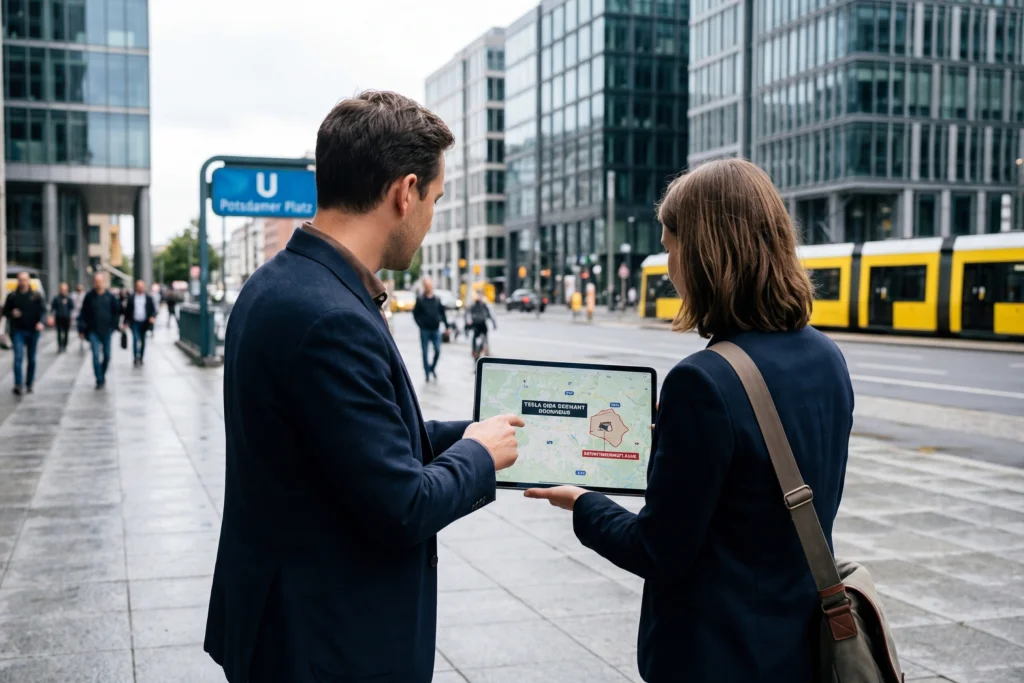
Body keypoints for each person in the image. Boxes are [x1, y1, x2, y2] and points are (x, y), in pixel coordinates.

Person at [204, 90, 525, 683]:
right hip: (325, 643)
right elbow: (401, 505)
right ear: (405, 193)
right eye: (435, 198)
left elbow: (358, 442)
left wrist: (482, 431)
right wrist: (480, 457)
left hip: (285, 619)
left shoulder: (280, 282)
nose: (430, 218)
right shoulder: (330, 316)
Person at [525, 159, 853, 683]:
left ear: (703, 256)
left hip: (717, 656)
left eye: (672, 247)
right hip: (801, 646)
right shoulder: (827, 357)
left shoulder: (704, 380)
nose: (670, 264)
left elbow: (658, 551)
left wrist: (584, 503)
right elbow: (760, 489)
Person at [3, 272, 45, 395]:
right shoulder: (12, 296)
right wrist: (12, 313)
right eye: (21, 280)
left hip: (33, 331)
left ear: (28, 281)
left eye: (25, 280)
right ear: (18, 281)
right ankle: (18, 384)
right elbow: (5, 312)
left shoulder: (36, 296)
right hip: (18, 331)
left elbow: (42, 312)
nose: (23, 282)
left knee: (31, 359)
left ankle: (29, 383)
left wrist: (41, 323)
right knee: (18, 358)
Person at [78, 273, 121, 389]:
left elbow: (116, 312)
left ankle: (102, 372)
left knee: (107, 355)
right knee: (96, 355)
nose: (98, 283)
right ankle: (99, 379)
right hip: (93, 331)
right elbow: (83, 313)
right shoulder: (89, 296)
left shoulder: (110, 296)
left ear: (104, 282)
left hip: (107, 331)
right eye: (96, 281)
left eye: (100, 281)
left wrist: (114, 326)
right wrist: (81, 329)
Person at [412, 276, 448, 381]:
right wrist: (420, 324)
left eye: (430, 285)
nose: (428, 287)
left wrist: (447, 326)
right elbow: (415, 314)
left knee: (437, 350)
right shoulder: (420, 299)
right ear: (424, 286)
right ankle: (427, 372)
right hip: (425, 330)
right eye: (426, 285)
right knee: (425, 352)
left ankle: (432, 368)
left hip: (436, 329)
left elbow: (442, 313)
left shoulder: (437, 299)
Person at [122, 279, 157, 367]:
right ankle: (135, 358)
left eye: (142, 286)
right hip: (134, 322)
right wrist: (125, 322)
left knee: (143, 341)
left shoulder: (148, 298)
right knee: (135, 339)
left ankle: (141, 357)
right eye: (139, 287)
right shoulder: (131, 298)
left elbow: (153, 310)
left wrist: (152, 317)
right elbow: (127, 311)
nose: (141, 288)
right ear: (136, 287)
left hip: (144, 323)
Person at [467, 293, 495, 359]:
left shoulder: (483, 305)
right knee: (474, 337)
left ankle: (485, 349)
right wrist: (469, 322)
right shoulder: (473, 306)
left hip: (482, 324)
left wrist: (493, 323)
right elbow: (469, 314)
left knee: (484, 338)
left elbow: (488, 314)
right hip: (476, 325)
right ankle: (474, 350)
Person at [50, 283, 74, 353]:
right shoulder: (56, 298)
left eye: (65, 290)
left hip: (66, 318)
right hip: (59, 318)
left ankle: (65, 345)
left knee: (66, 333)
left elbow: (71, 307)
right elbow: (53, 307)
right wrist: (51, 316)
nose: (63, 291)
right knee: (59, 333)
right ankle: (60, 346)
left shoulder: (69, 298)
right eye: (62, 290)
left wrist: (70, 315)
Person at [71, 283, 87, 352]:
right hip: (77, 314)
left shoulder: (85, 295)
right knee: (79, 327)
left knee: (84, 327)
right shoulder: (73, 295)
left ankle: (83, 336)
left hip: (84, 314)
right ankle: (81, 338)